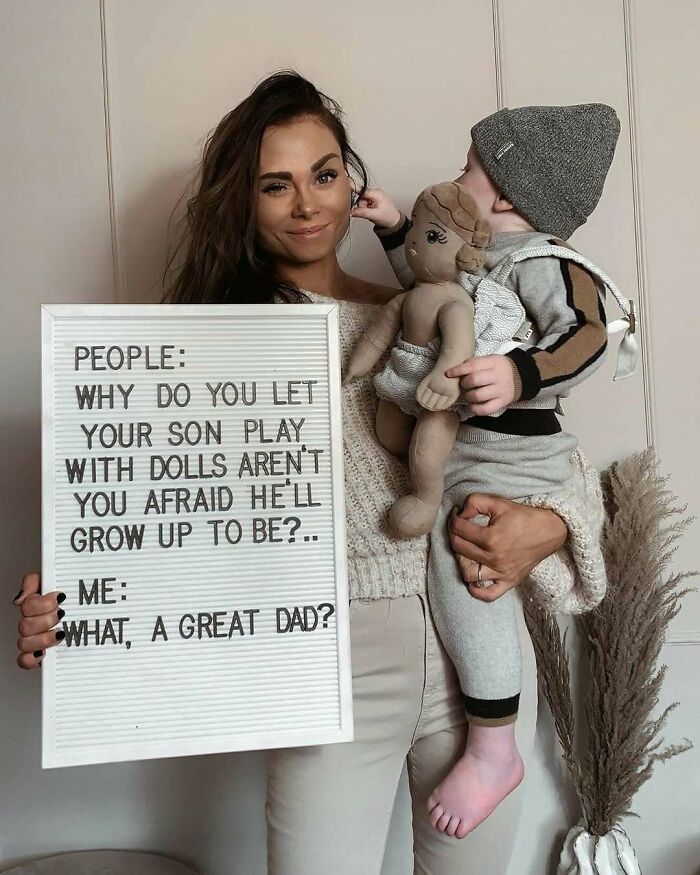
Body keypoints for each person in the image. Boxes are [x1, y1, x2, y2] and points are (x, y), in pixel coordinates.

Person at [14, 71, 606, 874]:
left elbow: (548, 451)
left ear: (350, 178)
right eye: (275, 184)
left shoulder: (439, 304)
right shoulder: (208, 349)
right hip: (328, 665)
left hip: (483, 659)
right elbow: (159, 510)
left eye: (325, 175)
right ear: (244, 203)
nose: (308, 204)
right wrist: (76, 601)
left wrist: (553, 524)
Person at [350, 103, 620, 837]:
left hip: (509, 458)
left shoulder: (549, 264)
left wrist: (519, 374)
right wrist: (394, 229)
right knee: (451, 544)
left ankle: (495, 747)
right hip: (465, 448)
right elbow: (434, 286)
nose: (455, 176)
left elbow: (591, 335)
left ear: (503, 193)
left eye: (469, 167)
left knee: (467, 569)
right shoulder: (489, 258)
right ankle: (490, 740)